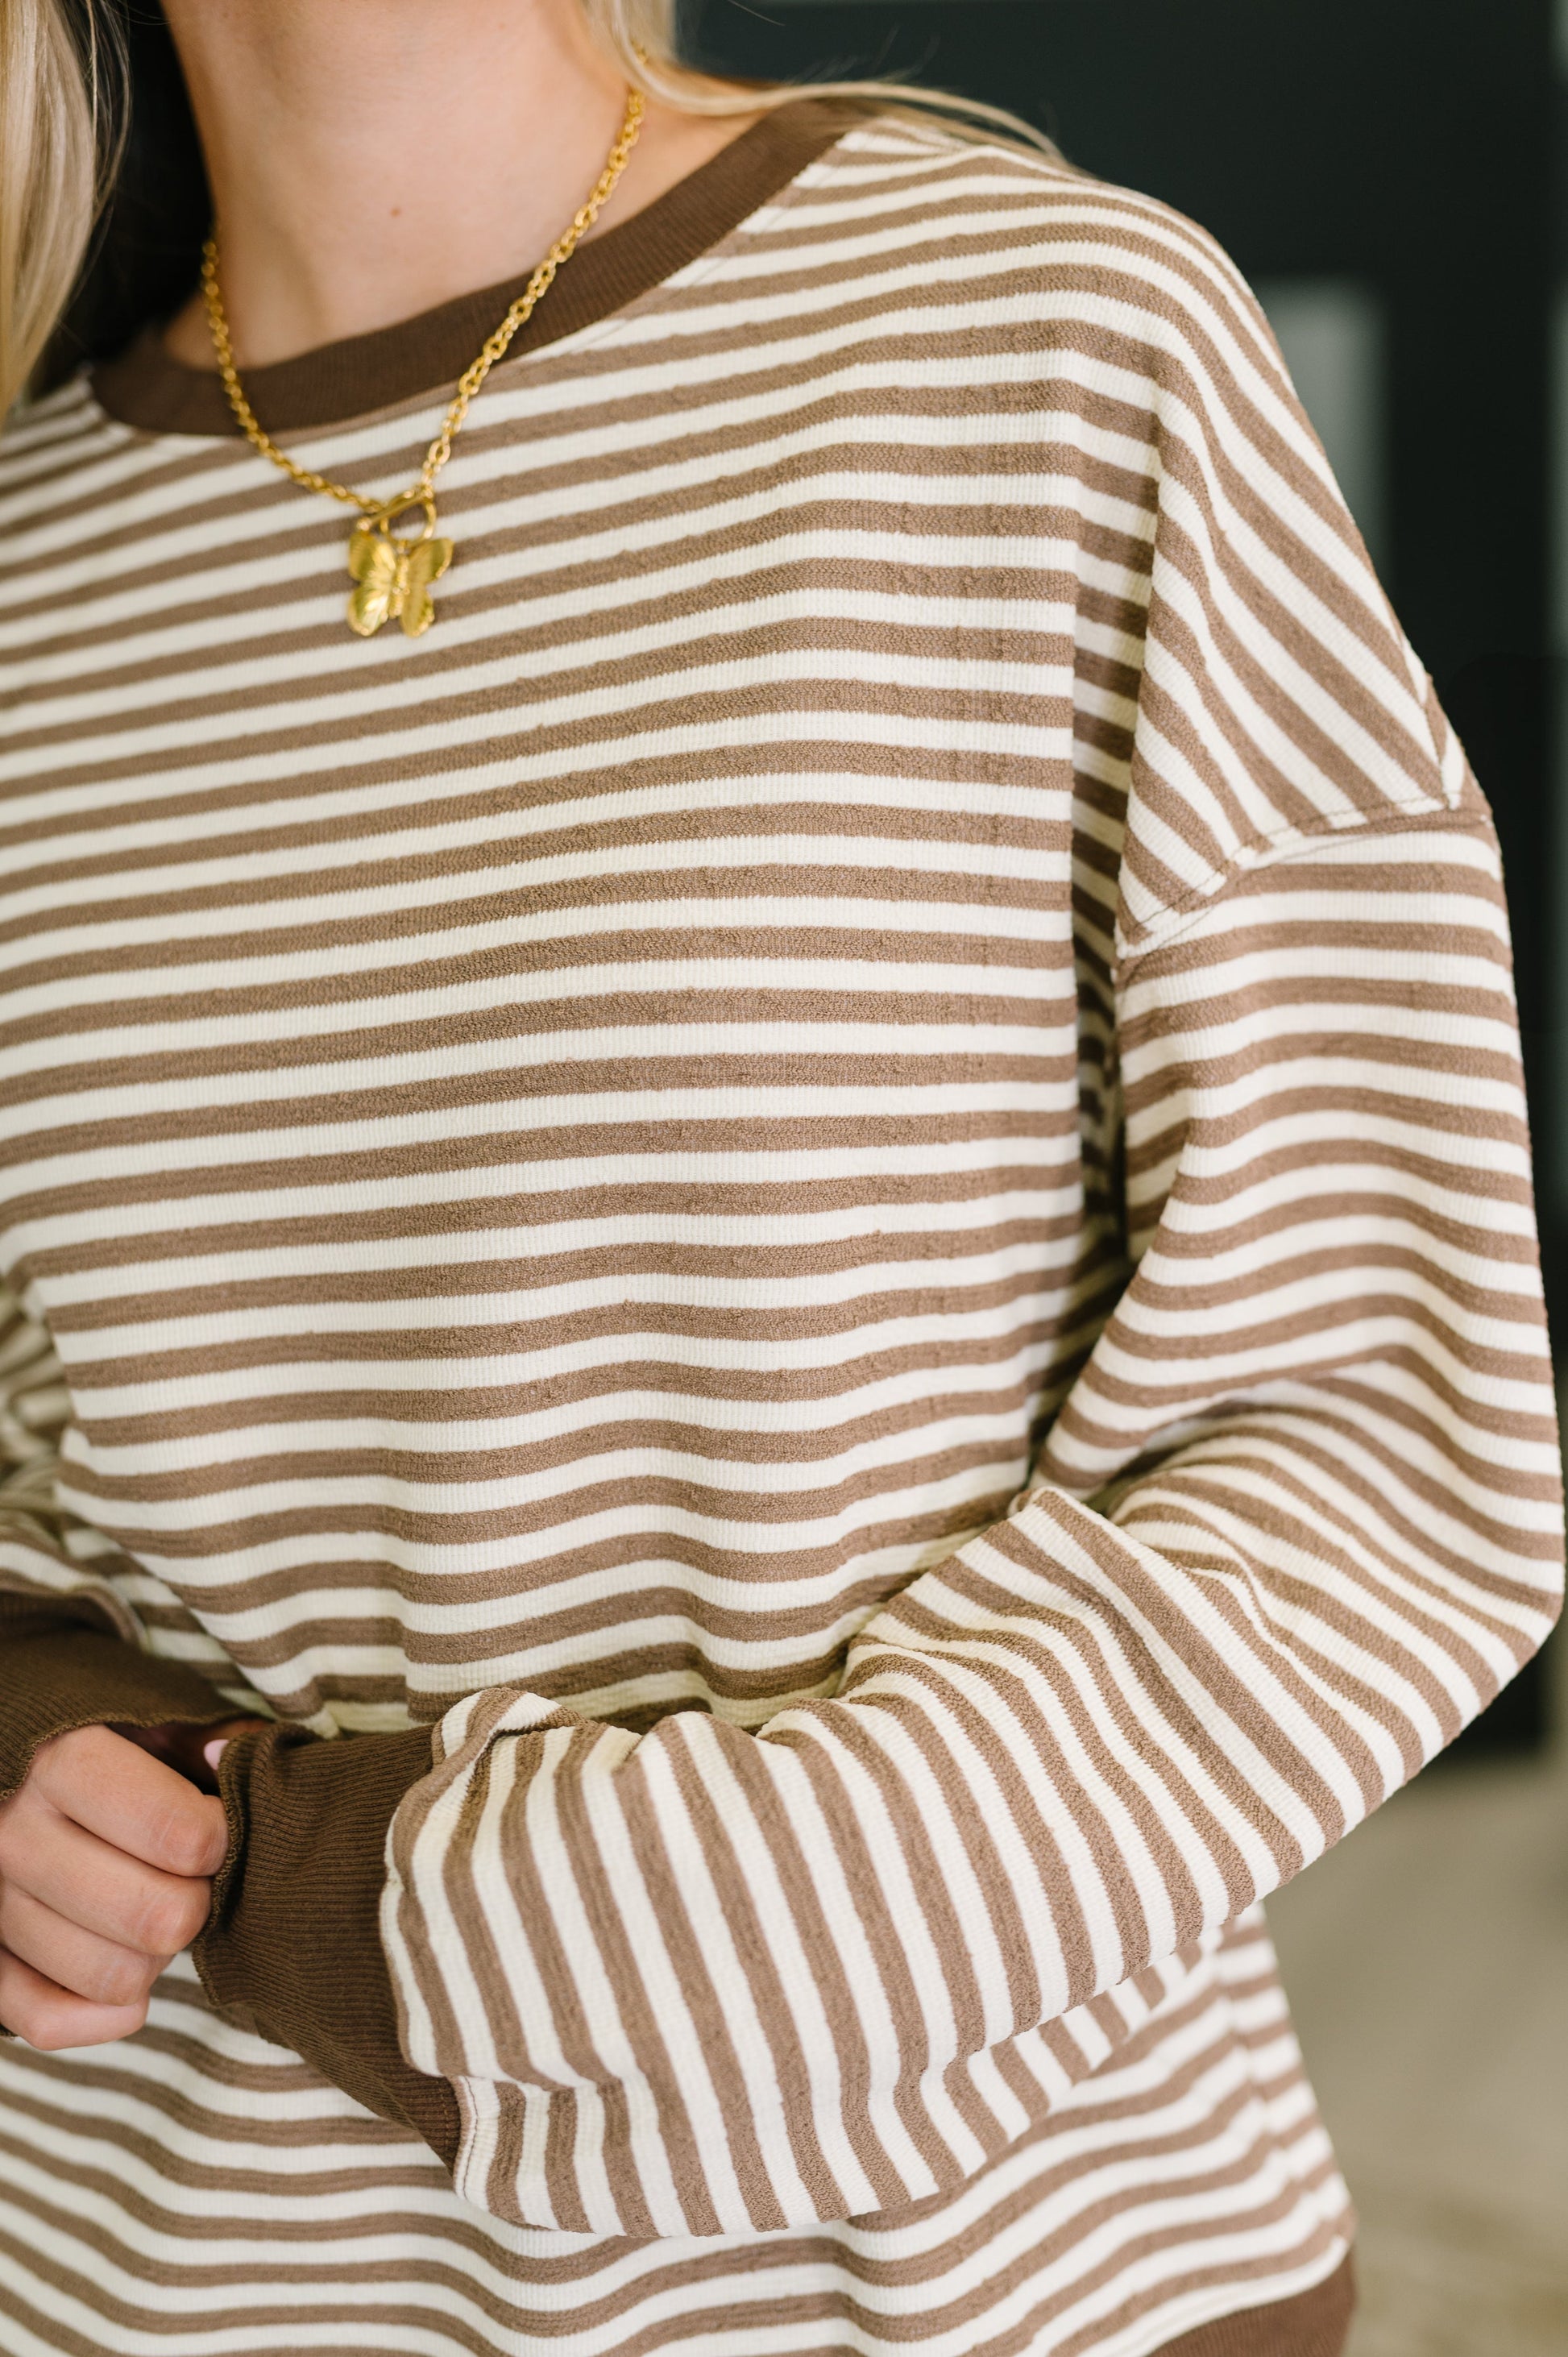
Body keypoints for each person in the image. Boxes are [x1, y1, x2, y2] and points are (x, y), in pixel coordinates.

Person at [0, 2, 1559, 2352]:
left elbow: (1377, 1440)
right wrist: (29, 1732)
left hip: (987, 2285)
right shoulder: (30, 560)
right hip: (145, 2283)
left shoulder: (1050, 340)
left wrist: (413, 1911)